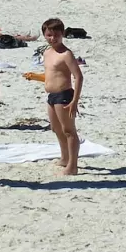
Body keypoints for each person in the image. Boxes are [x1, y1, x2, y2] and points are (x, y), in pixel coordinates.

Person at [40, 18, 84, 175]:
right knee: (56, 128)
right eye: (49, 35)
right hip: (51, 96)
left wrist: (75, 100)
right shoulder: (46, 52)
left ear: (62, 34)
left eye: (56, 35)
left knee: (69, 131)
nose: (53, 38)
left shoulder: (66, 54)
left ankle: (72, 166)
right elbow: (51, 74)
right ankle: (65, 157)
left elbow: (78, 77)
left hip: (64, 95)